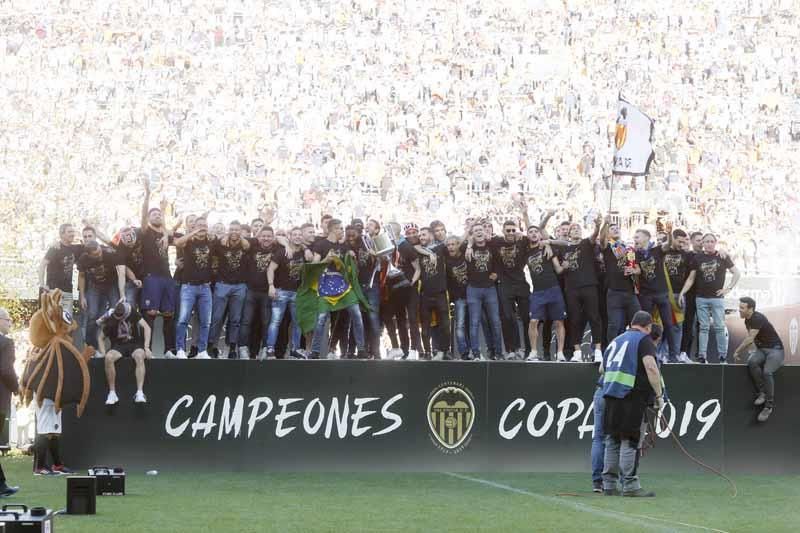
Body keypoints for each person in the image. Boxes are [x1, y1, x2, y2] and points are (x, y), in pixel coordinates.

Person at [601, 311, 664, 498]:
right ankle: (629, 485)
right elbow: (651, 367)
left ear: (631, 323)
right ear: (649, 327)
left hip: (611, 395)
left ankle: (609, 485)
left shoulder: (616, 340)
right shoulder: (644, 340)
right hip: (632, 396)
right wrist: (659, 395)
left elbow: (602, 368)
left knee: (612, 439)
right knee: (629, 440)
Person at [679, 234, 740, 363]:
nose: (709, 244)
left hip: (717, 298)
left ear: (715, 242)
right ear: (703, 243)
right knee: (703, 328)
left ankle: (722, 357)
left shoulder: (722, 256)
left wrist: (728, 289)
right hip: (701, 298)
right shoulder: (697, 258)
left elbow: (736, 273)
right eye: (706, 241)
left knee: (719, 327)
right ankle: (702, 356)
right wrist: (682, 293)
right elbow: (691, 278)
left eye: (712, 241)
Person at [553, 219, 604, 362]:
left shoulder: (586, 243)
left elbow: (594, 235)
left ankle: (598, 350)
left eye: (578, 228)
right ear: (568, 233)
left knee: (594, 317)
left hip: (589, 286)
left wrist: (598, 225)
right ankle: (577, 351)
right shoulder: (564, 247)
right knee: (574, 319)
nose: (576, 230)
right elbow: (552, 240)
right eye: (573, 228)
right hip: (571, 288)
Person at [733, 297, 784, 422]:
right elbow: (754, 338)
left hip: (776, 350)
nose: (739, 310)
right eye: (739, 307)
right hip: (762, 350)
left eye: (742, 308)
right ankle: (762, 392)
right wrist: (755, 351)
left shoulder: (757, 318)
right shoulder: (747, 320)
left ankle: (768, 406)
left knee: (767, 372)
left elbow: (749, 339)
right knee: (752, 361)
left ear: (750, 309)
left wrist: (737, 351)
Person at [266, 228, 311, 359]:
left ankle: (295, 349)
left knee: (297, 322)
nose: (297, 237)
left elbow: (313, 263)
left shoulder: (304, 252)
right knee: (275, 322)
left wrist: (307, 249)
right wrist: (271, 286)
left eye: (299, 235)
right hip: (281, 291)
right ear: (289, 237)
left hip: (297, 293)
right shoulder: (282, 252)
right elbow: (271, 269)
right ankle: (270, 349)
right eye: (294, 235)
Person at [173, 218, 214, 359]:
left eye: (204, 225)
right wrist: (194, 232)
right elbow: (177, 242)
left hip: (205, 287)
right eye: (199, 225)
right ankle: (180, 349)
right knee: (183, 319)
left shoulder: (210, 241)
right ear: (194, 227)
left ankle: (202, 350)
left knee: (205, 321)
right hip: (188, 286)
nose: (202, 227)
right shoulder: (188, 241)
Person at [208, 221, 251, 358]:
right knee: (216, 317)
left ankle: (232, 348)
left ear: (241, 231)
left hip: (240, 286)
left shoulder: (246, 245)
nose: (234, 232)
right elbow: (209, 244)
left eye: (237, 229)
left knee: (235, 319)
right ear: (228, 230)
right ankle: (211, 346)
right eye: (231, 229)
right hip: (222, 285)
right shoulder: (220, 243)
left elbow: (274, 238)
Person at [98, 302, 152, 405]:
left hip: (134, 344)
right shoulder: (111, 318)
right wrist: (103, 352)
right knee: (108, 358)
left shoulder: (131, 311)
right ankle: (112, 393)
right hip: (118, 346)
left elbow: (147, 328)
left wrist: (146, 347)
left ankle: (139, 393)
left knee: (139, 356)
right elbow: (100, 338)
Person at [524, 226, 565, 361]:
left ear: (540, 235)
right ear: (527, 235)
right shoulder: (526, 251)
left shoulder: (547, 247)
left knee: (558, 321)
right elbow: (527, 223)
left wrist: (564, 266)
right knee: (533, 321)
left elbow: (558, 269)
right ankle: (534, 352)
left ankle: (560, 353)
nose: (534, 234)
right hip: (537, 292)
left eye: (536, 231)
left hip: (553, 288)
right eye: (531, 232)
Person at [238, 226, 279, 360]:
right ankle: (243, 348)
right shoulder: (253, 246)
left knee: (266, 322)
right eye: (263, 236)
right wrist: (265, 224)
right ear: (259, 237)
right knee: (246, 321)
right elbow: (245, 238)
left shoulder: (277, 249)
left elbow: (285, 239)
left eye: (269, 236)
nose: (266, 238)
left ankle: (265, 348)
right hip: (251, 291)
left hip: (267, 292)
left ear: (273, 237)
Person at [465, 222, 504, 359]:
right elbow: (459, 240)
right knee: (474, 323)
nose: (479, 232)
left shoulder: (492, 245)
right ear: (472, 234)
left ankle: (498, 353)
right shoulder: (467, 246)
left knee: (495, 321)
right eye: (475, 230)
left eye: (480, 229)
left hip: (489, 289)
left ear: (485, 231)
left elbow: (500, 262)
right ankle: (476, 353)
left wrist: (496, 273)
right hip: (473, 289)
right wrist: (469, 244)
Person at [77, 240, 125, 349]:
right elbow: (81, 277)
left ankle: (116, 346)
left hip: (111, 285)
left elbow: (121, 273)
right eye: (96, 255)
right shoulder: (83, 259)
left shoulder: (109, 253)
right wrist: (82, 296)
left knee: (116, 312)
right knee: (92, 314)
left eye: (99, 251)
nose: (100, 255)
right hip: (95, 286)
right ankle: (91, 347)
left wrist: (122, 294)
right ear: (89, 255)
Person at [417, 227, 450, 360]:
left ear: (431, 235)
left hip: (440, 293)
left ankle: (444, 352)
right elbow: (413, 247)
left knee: (445, 326)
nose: (421, 237)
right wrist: (427, 252)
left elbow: (459, 241)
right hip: (425, 294)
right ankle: (427, 352)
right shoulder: (418, 250)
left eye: (424, 234)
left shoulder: (441, 248)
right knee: (425, 328)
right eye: (420, 236)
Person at [39, 223, 84, 314]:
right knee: (53, 320)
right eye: (69, 232)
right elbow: (42, 265)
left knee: (66, 321)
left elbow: (90, 245)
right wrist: (42, 284)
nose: (72, 234)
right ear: (62, 234)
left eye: (73, 231)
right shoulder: (55, 248)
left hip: (68, 291)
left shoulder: (76, 249)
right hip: (53, 290)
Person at [0, 309, 20, 494]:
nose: (10, 323)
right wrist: (17, 388)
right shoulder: (6, 343)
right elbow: (6, 370)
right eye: (8, 320)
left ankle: (1, 485)